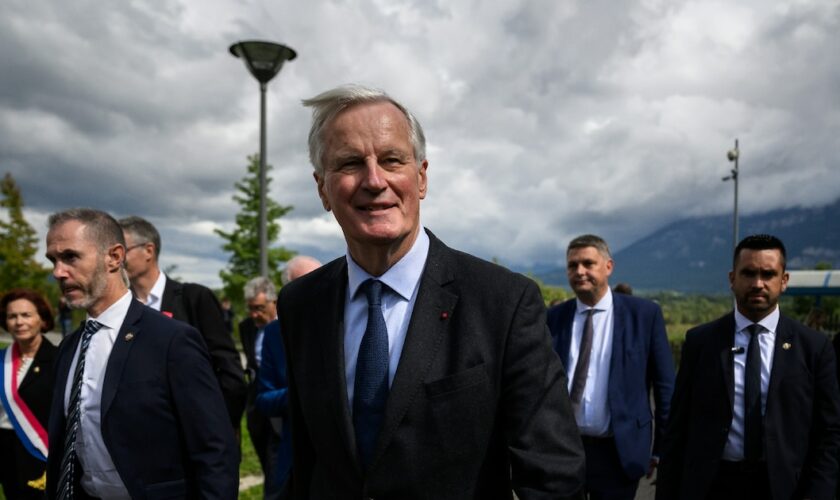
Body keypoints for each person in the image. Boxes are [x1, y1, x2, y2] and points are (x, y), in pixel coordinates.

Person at [278, 84, 585, 498]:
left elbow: (553, 475)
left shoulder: (503, 303)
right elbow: (306, 458)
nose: (374, 180)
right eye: (350, 163)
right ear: (322, 189)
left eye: (392, 160)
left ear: (420, 178)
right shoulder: (301, 304)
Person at [44, 208, 238, 499]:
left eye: (70, 257)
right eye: (53, 260)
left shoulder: (171, 340)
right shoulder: (70, 348)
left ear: (114, 256)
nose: (58, 272)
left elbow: (214, 451)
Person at [657, 234, 840, 500]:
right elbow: (678, 428)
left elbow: (830, 433)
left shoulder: (814, 347)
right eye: (748, 273)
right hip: (713, 485)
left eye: (768, 274)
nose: (758, 283)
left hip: (787, 488)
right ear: (732, 279)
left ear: (784, 281)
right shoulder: (701, 342)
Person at [547, 235, 674, 499]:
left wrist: (662, 449)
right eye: (572, 265)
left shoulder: (644, 315)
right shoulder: (553, 319)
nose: (579, 271)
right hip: (563, 451)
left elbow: (664, 387)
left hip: (619, 452)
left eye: (588, 263)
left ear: (608, 266)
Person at [118, 215, 247, 430]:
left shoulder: (194, 299)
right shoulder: (119, 308)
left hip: (196, 434)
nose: (116, 259)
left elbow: (228, 370)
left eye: (123, 251)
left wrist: (220, 429)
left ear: (149, 251)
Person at [256, 256, 323, 499]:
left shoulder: (347, 318)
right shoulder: (275, 332)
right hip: (292, 457)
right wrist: (304, 392)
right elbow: (263, 399)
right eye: (304, 283)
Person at [0, 289, 58, 499]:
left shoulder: (59, 360)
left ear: (42, 320)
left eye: (26, 315)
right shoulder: (1, 360)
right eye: (12, 316)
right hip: (5, 451)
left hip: (41, 454)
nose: (18, 322)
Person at [239, 276, 280, 478]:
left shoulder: (287, 326)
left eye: (260, 308)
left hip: (280, 402)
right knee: (265, 459)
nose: (255, 314)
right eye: (251, 308)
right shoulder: (246, 327)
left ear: (274, 302)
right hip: (257, 402)